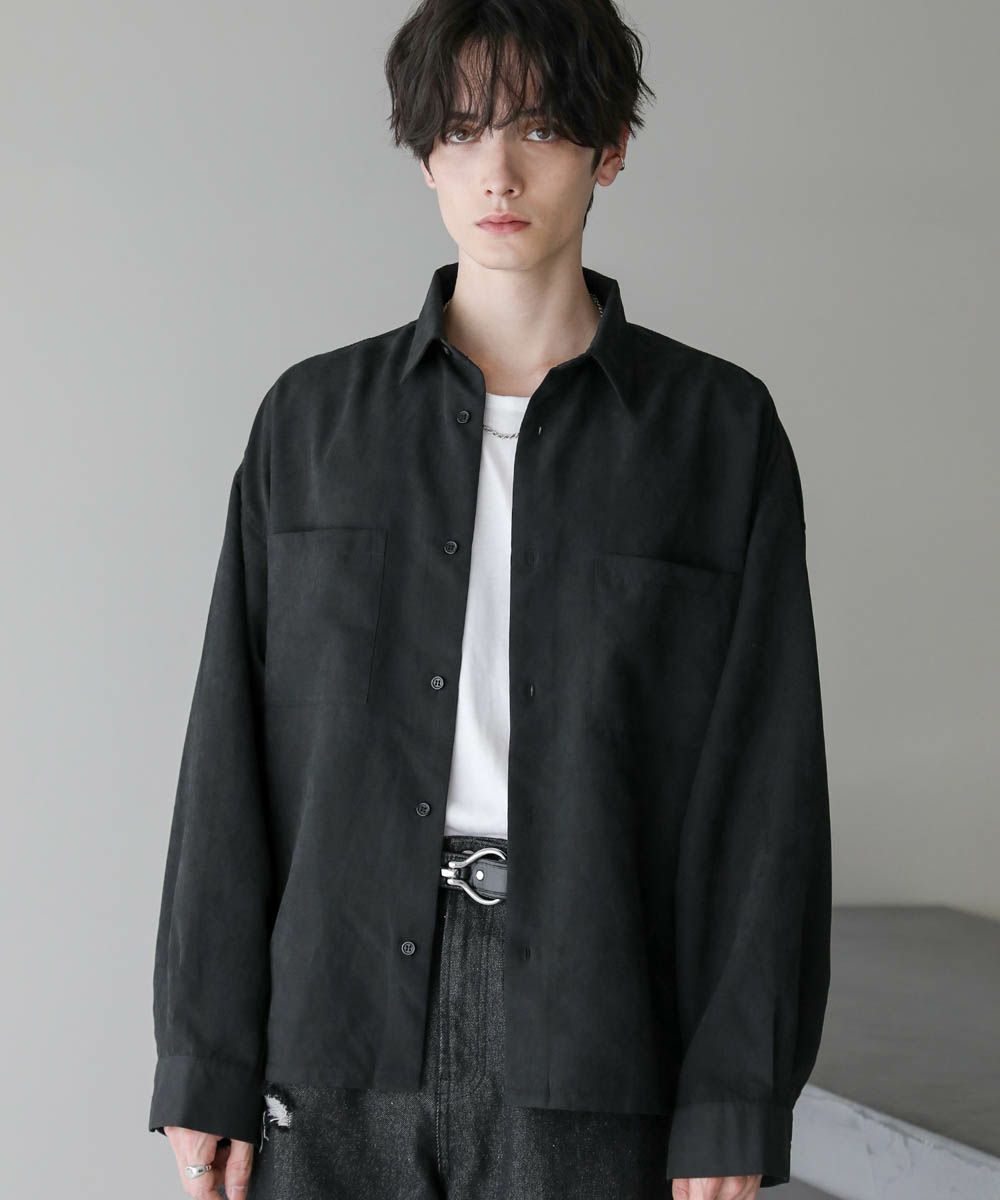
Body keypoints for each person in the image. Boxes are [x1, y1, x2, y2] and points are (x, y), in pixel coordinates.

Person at [148, 2, 832, 1197]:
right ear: (423, 154)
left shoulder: (715, 437)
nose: (498, 172)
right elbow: (229, 761)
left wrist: (735, 1099)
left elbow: (764, 798)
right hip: (335, 1034)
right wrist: (204, 1060)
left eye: (540, 128)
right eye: (460, 132)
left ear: (610, 149)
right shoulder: (311, 426)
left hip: (597, 1030)